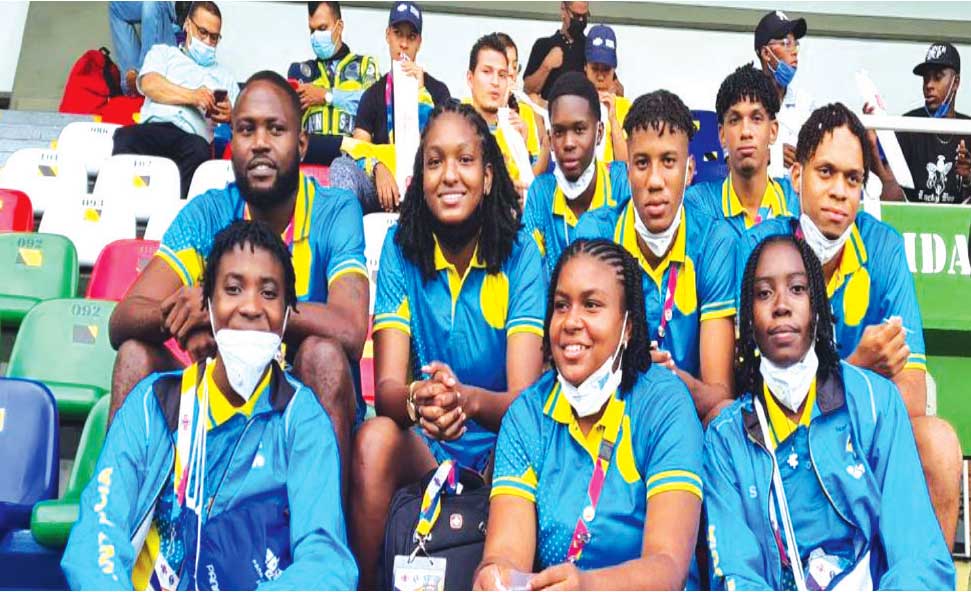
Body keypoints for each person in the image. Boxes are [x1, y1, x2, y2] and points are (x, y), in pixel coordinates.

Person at [107, 71, 369, 497]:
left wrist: (229, 312)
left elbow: (350, 329)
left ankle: (322, 549)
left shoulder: (333, 210)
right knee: (136, 356)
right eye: (247, 129)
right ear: (232, 144)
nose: (261, 143)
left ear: (301, 145)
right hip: (219, 406)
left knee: (323, 355)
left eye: (276, 129)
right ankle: (116, 536)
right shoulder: (208, 213)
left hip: (301, 407)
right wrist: (182, 311)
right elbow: (122, 320)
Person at [62, 220, 358, 590]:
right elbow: (96, 536)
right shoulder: (155, 405)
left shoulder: (302, 418)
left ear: (286, 315)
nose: (250, 307)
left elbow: (325, 561)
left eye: (269, 293)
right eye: (233, 289)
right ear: (208, 306)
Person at [740, 102, 963, 549]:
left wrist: (831, 391)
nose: (840, 191)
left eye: (853, 178)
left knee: (938, 442)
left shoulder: (884, 247)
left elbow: (912, 395)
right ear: (796, 176)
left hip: (860, 433)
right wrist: (855, 365)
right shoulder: (758, 247)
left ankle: (918, 576)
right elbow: (743, 385)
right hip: (774, 437)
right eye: (826, 172)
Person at [349, 102, 547, 589]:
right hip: (428, 446)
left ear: (487, 176)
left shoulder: (522, 255)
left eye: (465, 160)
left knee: (517, 453)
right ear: (420, 175)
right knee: (374, 441)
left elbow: (526, 404)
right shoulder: (400, 249)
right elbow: (389, 390)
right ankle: (367, 585)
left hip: (502, 445)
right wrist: (420, 401)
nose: (449, 175)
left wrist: (469, 402)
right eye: (434, 161)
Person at [703, 233, 955, 590]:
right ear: (748, 321)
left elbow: (916, 552)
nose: (781, 305)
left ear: (818, 306)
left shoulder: (874, 401)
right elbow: (735, 572)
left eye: (797, 289)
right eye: (763, 293)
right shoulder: (726, 438)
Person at [473, 238, 703, 591]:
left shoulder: (665, 404)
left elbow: (668, 568)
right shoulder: (526, 416)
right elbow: (506, 554)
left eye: (592, 305)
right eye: (561, 305)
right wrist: (495, 576)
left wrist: (586, 586)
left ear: (628, 326)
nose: (571, 321)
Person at [576, 90, 738, 424]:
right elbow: (575, 367)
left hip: (685, 417)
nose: (654, 181)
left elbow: (719, 392)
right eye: (642, 163)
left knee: (724, 416)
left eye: (668, 162)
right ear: (627, 170)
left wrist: (674, 382)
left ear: (690, 169)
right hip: (608, 410)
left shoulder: (713, 242)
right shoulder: (595, 233)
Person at [112, 1, 237, 199]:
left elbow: (246, 120)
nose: (207, 42)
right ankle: (123, 205)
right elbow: (149, 84)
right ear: (187, 24)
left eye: (214, 37)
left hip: (192, 138)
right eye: (202, 32)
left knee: (198, 151)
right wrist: (193, 96)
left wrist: (232, 117)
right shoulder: (164, 53)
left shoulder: (225, 77)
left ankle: (175, 213)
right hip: (155, 128)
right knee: (124, 137)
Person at [524, 72, 630, 277]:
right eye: (559, 132)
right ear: (550, 139)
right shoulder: (542, 193)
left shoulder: (620, 183)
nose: (569, 143)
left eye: (580, 129)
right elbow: (532, 275)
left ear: (599, 133)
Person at [352, 1, 452, 213]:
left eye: (411, 37)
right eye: (398, 34)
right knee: (342, 168)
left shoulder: (438, 91)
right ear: (388, 35)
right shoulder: (372, 95)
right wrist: (378, 167)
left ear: (420, 42)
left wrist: (421, 96)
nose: (404, 44)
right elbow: (358, 150)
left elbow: (445, 146)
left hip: (427, 188)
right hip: (383, 190)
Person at [685, 63, 799, 237]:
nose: (746, 132)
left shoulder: (796, 202)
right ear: (722, 135)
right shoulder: (698, 205)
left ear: (773, 131)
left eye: (756, 118)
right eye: (735, 120)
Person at [867, 42, 971, 204]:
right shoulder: (907, 126)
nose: (929, 85)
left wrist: (968, 180)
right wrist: (872, 145)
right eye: (926, 78)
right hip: (914, 226)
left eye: (937, 77)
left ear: (955, 82)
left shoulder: (968, 130)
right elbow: (889, 196)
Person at [288, 1, 379, 138]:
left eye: (322, 28)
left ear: (339, 27)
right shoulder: (302, 71)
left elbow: (376, 107)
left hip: (353, 156)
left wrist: (326, 96)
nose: (316, 36)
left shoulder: (365, 65)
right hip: (312, 154)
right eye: (312, 30)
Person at [466, 34, 539, 191]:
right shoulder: (455, 126)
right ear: (470, 78)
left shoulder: (515, 130)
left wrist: (522, 148)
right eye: (487, 72)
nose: (495, 82)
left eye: (502, 75)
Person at [754, 10, 814, 179]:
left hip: (798, 198)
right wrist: (771, 156)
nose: (794, 51)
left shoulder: (806, 104)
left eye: (795, 44)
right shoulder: (744, 102)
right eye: (786, 43)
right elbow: (732, 163)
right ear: (766, 53)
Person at [496, 32, 552, 179]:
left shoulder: (526, 111)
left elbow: (532, 177)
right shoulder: (469, 109)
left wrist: (546, 145)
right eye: (505, 66)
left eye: (514, 66)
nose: (511, 73)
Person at [523, 1, 590, 105]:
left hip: (582, 113)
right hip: (550, 113)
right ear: (563, 10)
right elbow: (528, 91)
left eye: (585, 16)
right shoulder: (543, 45)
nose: (581, 20)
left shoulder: (592, 48)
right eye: (576, 16)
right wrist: (546, 66)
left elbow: (616, 89)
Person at [108, 1, 179, 94]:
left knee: (152, 3)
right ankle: (132, 84)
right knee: (116, 6)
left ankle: (143, 77)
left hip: (183, 12)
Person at [584, 24, 630, 163]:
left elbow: (625, 162)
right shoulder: (574, 102)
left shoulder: (625, 107)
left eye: (606, 70)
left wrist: (613, 119)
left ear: (613, 71)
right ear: (585, 67)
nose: (600, 76)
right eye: (595, 69)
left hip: (612, 179)